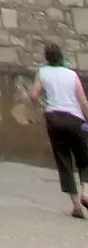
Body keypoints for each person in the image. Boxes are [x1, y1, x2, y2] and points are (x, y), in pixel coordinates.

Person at [29, 43, 88, 216]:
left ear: (47, 57)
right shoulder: (71, 74)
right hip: (74, 118)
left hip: (53, 118)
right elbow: (83, 101)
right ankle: (86, 192)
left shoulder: (43, 72)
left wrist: (42, 104)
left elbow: (33, 95)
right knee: (84, 158)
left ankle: (76, 205)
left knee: (63, 159)